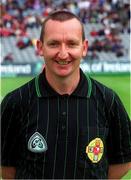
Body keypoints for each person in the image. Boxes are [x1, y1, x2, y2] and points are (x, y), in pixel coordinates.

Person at [1, 10, 131, 179]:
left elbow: (124, 159)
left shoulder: (108, 100)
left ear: (84, 48)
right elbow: (5, 166)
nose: (63, 54)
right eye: (54, 44)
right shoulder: (15, 102)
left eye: (71, 44)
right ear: (40, 47)